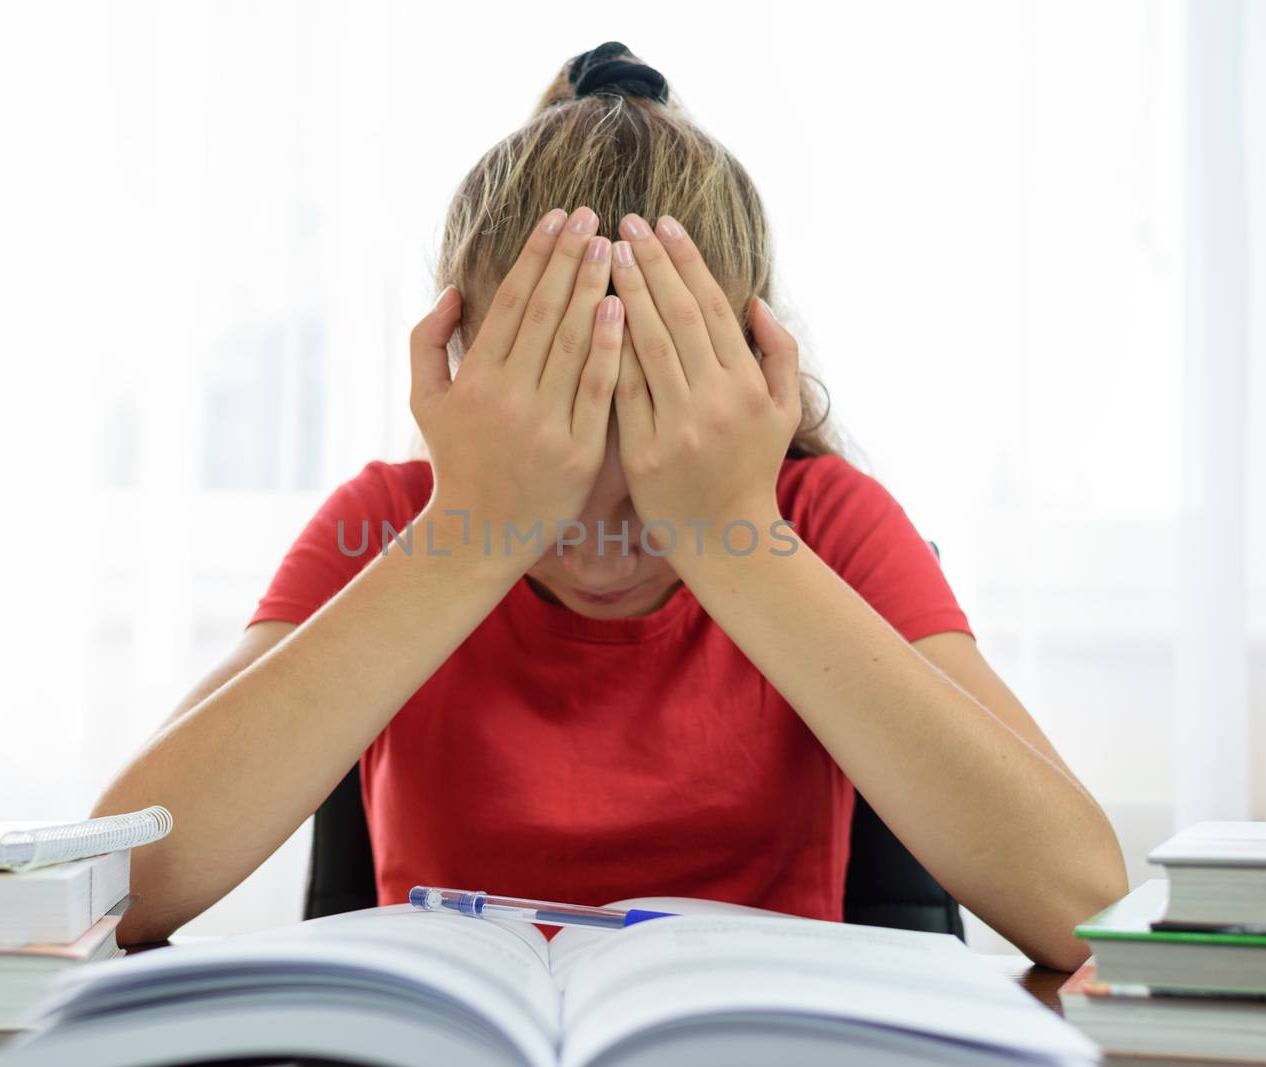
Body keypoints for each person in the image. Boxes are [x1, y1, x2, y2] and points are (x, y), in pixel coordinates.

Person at [93, 42, 1126, 970]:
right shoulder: (392, 523)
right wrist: (471, 536)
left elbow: (1084, 907)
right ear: (460, 376)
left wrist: (731, 534)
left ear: (754, 379)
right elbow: (119, 892)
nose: (602, 496)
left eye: (660, 416)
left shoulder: (825, 522)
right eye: (552, 413)